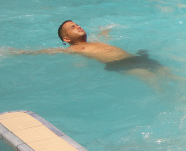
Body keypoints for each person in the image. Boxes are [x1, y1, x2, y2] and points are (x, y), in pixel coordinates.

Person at [5, 21, 173, 89]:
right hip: (119, 64)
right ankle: (168, 99)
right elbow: (48, 51)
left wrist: (106, 29)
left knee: (167, 72)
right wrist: (19, 52)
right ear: (66, 39)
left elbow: (104, 36)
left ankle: (183, 93)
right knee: (150, 78)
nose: (77, 27)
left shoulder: (94, 41)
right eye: (72, 28)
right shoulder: (73, 49)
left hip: (132, 58)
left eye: (77, 24)